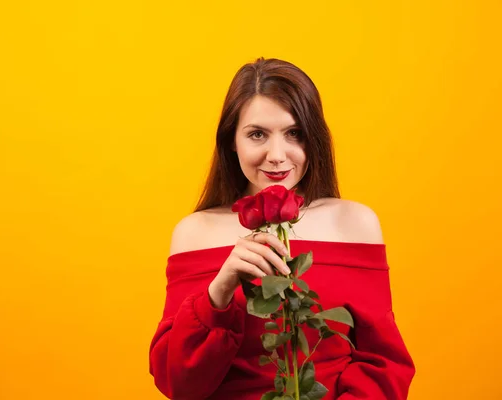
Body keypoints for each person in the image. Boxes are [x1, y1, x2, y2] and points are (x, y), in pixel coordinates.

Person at [149, 57, 415, 400]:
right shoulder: (194, 232)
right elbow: (179, 384)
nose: (277, 155)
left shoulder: (355, 223)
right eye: (257, 134)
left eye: (294, 134)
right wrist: (220, 290)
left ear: (314, 140)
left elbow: (383, 365)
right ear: (232, 140)